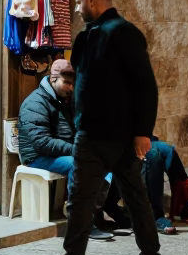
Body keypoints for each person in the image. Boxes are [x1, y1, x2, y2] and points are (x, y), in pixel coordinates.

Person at [35, 0, 165, 255]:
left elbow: (145, 86)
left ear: (93, 0)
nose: (78, 9)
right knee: (134, 198)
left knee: (81, 198)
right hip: (106, 132)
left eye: (80, 3)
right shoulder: (91, 35)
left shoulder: (122, 33)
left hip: (100, 135)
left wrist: (143, 131)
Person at [17, 58, 119, 241]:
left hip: (63, 151)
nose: (71, 88)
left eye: (73, 83)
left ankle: (95, 214)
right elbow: (42, 143)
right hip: (37, 156)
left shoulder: (65, 100)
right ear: (53, 79)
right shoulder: (35, 103)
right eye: (67, 83)